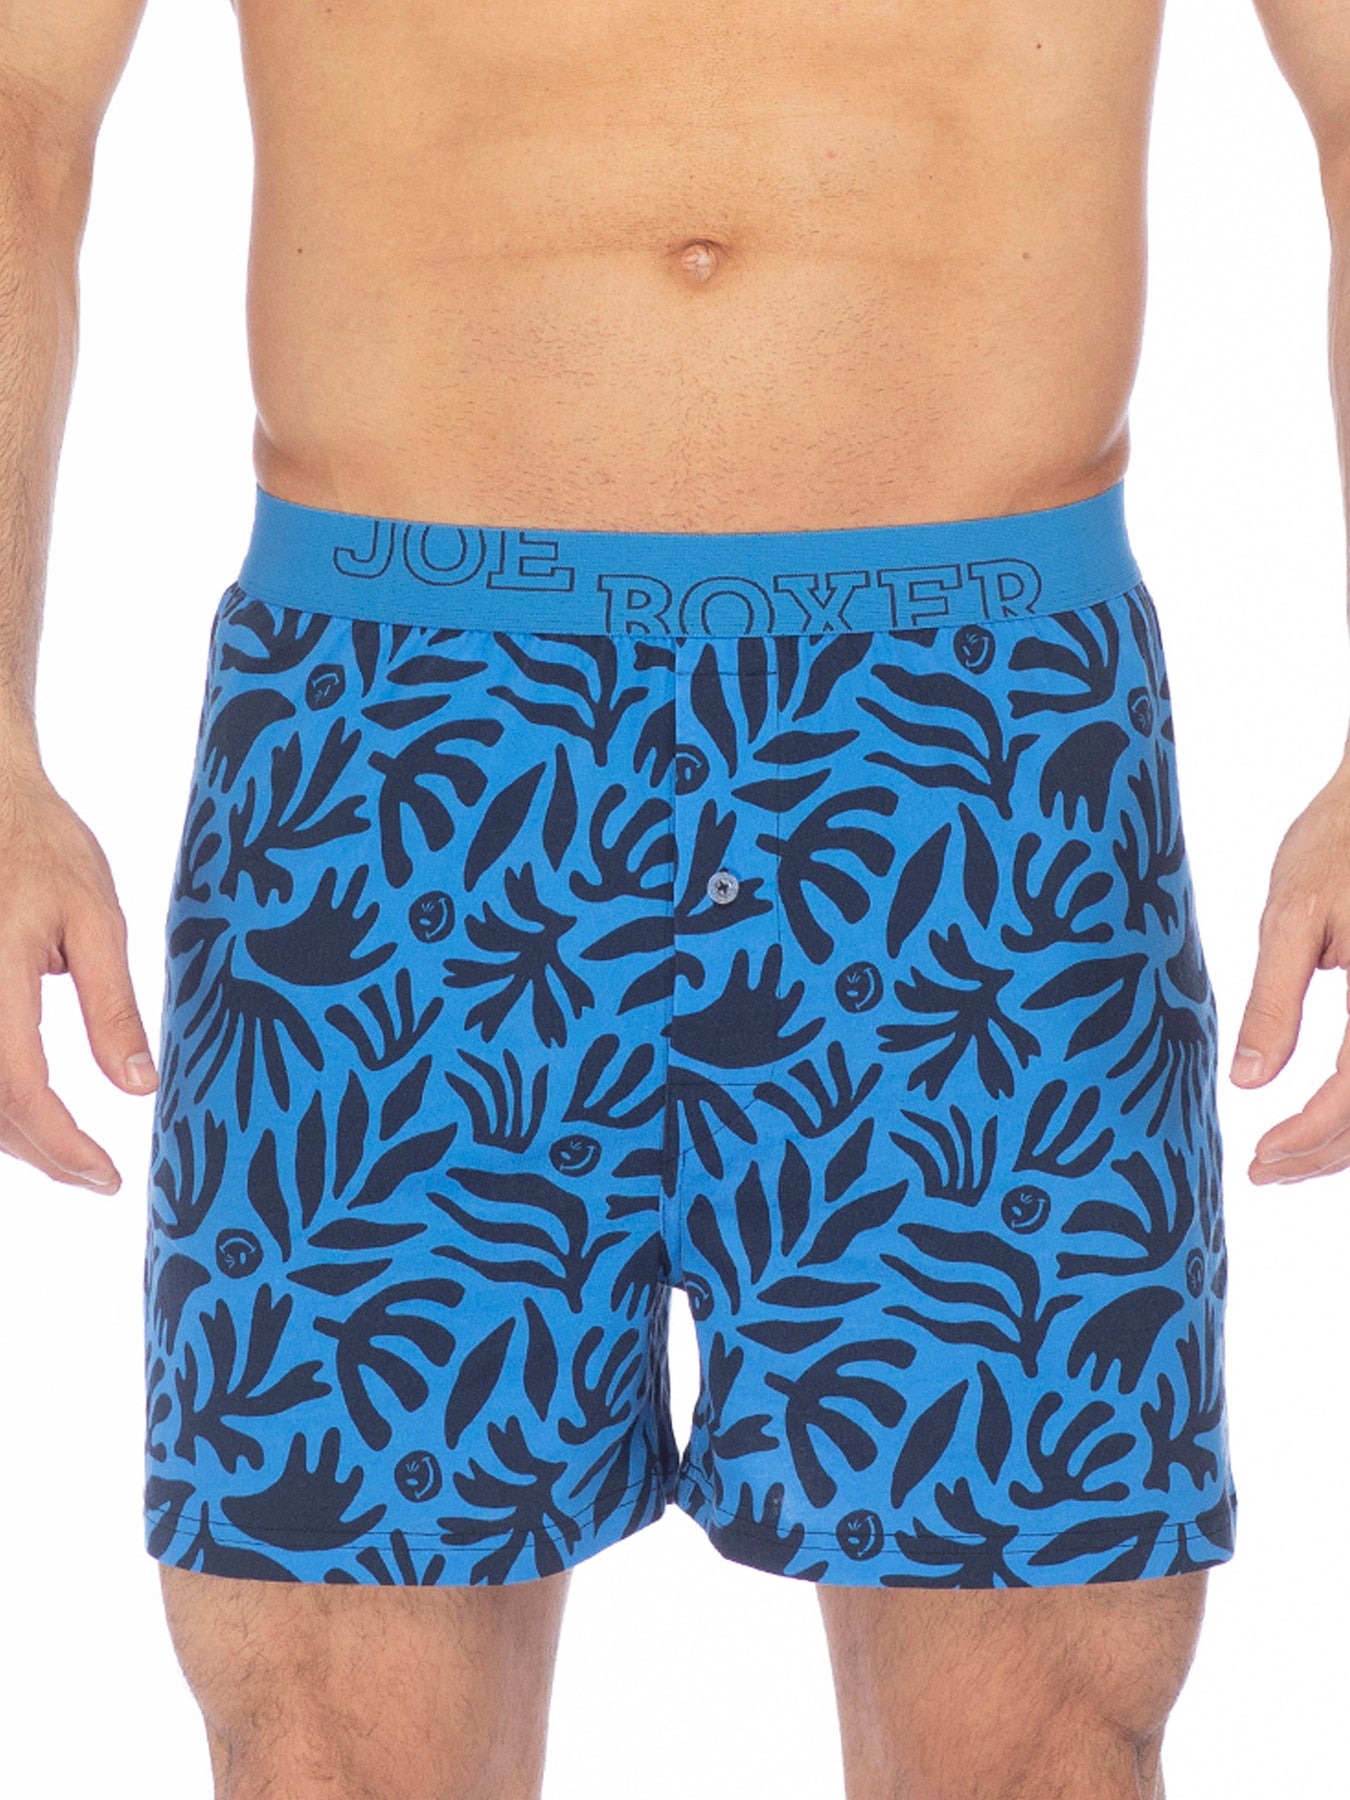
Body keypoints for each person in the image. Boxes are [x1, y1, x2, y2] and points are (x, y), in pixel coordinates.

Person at [1, 2, 1346, 1796]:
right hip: (404, 740)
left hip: (971, 742)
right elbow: (17, 110)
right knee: (328, 1734)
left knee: (1041, 1727)